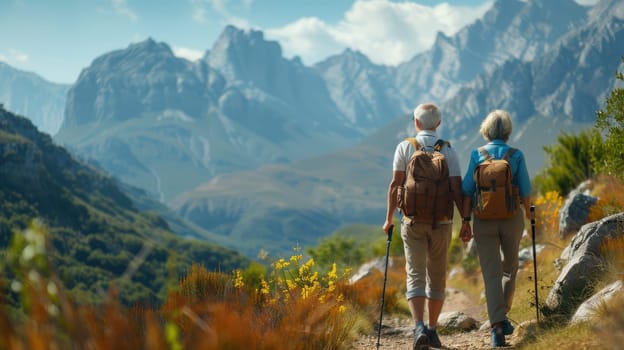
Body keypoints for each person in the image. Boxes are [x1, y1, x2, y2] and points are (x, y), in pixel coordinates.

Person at [383, 103, 463, 349]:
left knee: (415, 274)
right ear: (438, 124)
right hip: (442, 222)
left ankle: (418, 327)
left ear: (416, 122)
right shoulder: (447, 149)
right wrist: (467, 220)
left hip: (412, 221)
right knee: (436, 276)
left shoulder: (405, 146)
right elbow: (456, 188)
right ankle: (432, 328)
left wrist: (388, 219)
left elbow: (396, 184)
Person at [459, 109, 531, 347]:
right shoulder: (516, 155)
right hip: (511, 219)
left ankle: (496, 328)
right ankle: (504, 313)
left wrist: (466, 221)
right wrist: (530, 218)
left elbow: (467, 190)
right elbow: (526, 192)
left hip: (483, 219)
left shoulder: (477, 155)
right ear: (508, 131)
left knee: (491, 273)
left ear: (486, 131)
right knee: (510, 267)